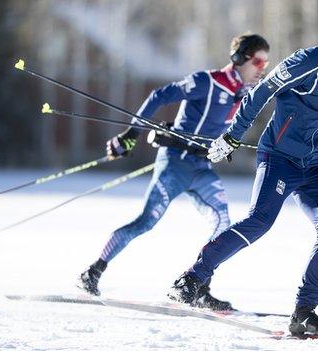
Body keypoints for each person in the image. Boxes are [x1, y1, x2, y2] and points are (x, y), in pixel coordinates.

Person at [168, 3, 318, 335]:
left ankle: (304, 312)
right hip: (279, 158)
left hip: (314, 165)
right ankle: (192, 279)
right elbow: (262, 92)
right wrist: (232, 136)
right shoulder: (312, 60)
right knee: (260, 221)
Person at [79, 33, 271, 311]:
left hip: (201, 168)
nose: (261, 69)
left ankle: (199, 287)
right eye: (257, 62)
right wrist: (132, 133)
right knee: (146, 222)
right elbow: (160, 95)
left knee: (222, 222)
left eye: (266, 64)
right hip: (175, 164)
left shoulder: (244, 95)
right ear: (239, 58)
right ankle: (92, 272)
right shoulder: (207, 81)